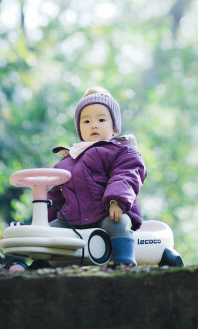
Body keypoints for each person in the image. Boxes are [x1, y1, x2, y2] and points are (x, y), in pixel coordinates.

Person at [47, 86, 147, 267]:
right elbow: (56, 196)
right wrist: (43, 217)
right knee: (45, 232)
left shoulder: (119, 152)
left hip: (106, 213)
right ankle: (38, 264)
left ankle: (124, 261)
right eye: (86, 121)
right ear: (79, 129)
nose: (93, 125)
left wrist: (117, 201)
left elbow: (126, 175)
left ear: (114, 128)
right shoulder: (67, 161)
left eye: (101, 119)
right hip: (72, 219)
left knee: (118, 223)